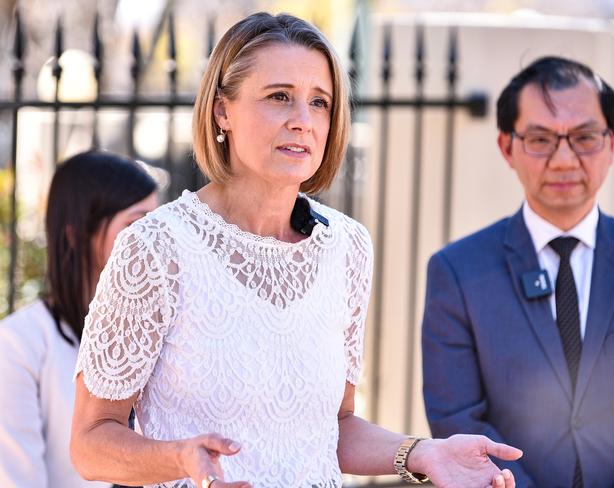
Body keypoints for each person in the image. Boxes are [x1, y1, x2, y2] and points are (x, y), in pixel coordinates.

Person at [70, 12, 522, 488]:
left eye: (320, 102)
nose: (303, 121)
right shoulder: (156, 248)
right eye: (279, 97)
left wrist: (424, 453)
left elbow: (336, 428)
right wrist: (180, 459)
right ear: (222, 110)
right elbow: (91, 441)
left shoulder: (348, 248)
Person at [422, 56, 614, 488]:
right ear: (507, 147)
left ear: (613, 142)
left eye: (584, 137)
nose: (564, 160)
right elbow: (456, 418)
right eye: (541, 139)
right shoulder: (457, 272)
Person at [0, 150, 158, 488]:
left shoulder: (160, 333)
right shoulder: (17, 344)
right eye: (136, 225)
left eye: (156, 226)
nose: (152, 242)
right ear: (76, 233)